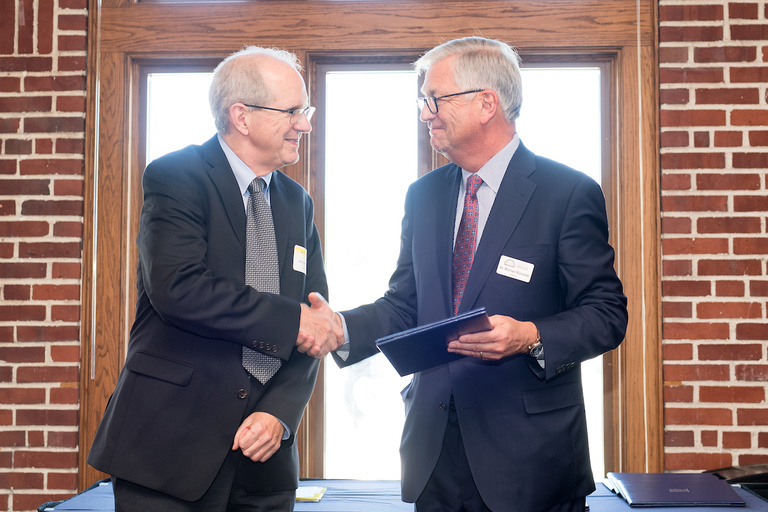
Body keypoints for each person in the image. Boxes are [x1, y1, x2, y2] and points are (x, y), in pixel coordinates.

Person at [331, 37, 628, 512]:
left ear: (486, 103)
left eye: (434, 99)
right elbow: (406, 303)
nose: (425, 112)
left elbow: (607, 314)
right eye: (423, 101)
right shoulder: (422, 195)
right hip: (434, 458)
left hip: (532, 462)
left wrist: (531, 335)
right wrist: (340, 328)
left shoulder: (567, 193)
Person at [87, 46, 342, 512]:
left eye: (305, 111)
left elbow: (316, 323)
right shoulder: (176, 176)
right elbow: (179, 288)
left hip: (264, 464)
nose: (304, 124)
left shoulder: (297, 203)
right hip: (169, 452)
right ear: (241, 116)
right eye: (291, 111)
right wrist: (294, 322)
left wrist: (279, 413)